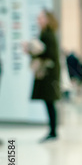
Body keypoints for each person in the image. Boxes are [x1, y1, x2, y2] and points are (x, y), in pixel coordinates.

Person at [24, 9, 61, 141]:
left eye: (41, 18)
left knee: (49, 102)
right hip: (48, 73)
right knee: (49, 102)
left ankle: (53, 131)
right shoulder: (45, 33)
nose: (38, 20)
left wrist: (31, 49)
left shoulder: (48, 35)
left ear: (47, 19)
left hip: (48, 74)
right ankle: (52, 130)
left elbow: (48, 54)